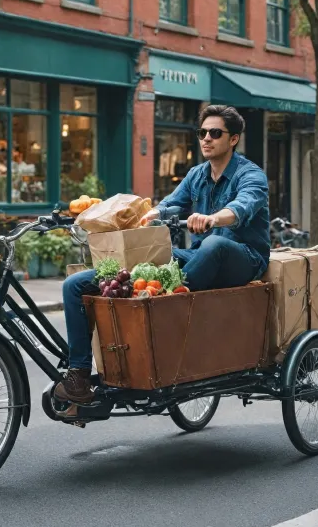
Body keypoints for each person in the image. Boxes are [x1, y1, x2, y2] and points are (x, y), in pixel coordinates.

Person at [55, 104, 270, 404]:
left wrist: (213, 218)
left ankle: (164, 334)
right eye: (202, 132)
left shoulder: (250, 174)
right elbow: (170, 204)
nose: (206, 138)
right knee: (78, 283)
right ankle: (78, 375)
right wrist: (148, 215)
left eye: (215, 133)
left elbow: (243, 206)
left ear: (233, 139)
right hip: (200, 257)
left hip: (244, 259)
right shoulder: (197, 174)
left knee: (213, 245)